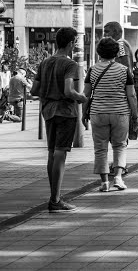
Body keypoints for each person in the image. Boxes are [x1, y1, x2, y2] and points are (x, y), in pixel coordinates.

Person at [33, 27, 87, 213]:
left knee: (51, 152)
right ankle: (55, 199)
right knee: (60, 153)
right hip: (65, 111)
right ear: (71, 43)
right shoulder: (70, 64)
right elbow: (68, 91)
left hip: (48, 111)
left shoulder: (45, 62)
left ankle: (54, 195)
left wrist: (49, 92)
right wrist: (81, 97)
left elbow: (34, 90)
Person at [86, 37, 138, 192]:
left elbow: (87, 93)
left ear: (99, 52)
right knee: (120, 145)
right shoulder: (124, 71)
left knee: (100, 148)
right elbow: (131, 95)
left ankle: (104, 183)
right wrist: (134, 114)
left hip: (98, 113)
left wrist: (83, 112)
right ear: (116, 53)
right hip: (120, 113)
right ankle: (118, 177)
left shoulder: (92, 70)